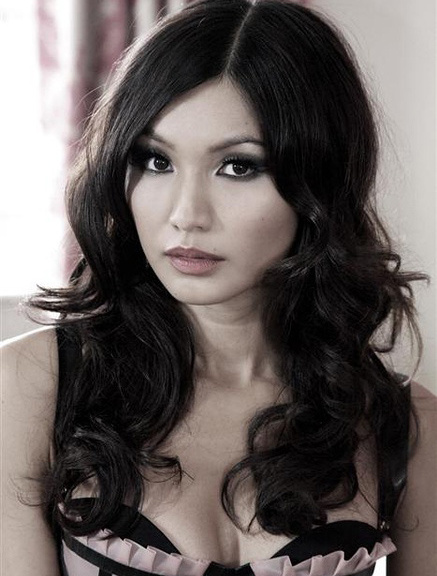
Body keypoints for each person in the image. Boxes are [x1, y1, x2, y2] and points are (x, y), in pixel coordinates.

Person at [2, 1, 436, 575]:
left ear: (321, 181)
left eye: (238, 167)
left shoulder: (404, 425)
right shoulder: (29, 386)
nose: (186, 214)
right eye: (155, 160)